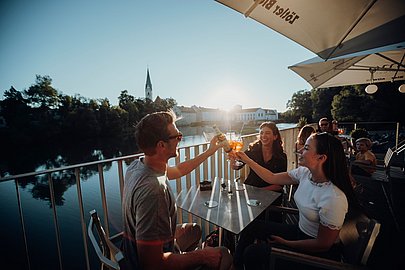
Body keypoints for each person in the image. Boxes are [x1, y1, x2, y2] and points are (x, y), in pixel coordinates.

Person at [121, 110, 232, 270]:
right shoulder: (153, 190)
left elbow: (179, 170)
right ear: (161, 145)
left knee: (194, 230)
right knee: (224, 253)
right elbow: (153, 264)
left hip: (133, 252)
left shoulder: (138, 166)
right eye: (177, 136)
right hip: (146, 263)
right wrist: (204, 256)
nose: (181, 139)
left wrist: (210, 151)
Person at [232, 132, 359, 270]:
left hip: (317, 255)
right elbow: (272, 177)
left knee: (253, 253)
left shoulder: (333, 197)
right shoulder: (305, 173)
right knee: (249, 226)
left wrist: (287, 243)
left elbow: (322, 245)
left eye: (306, 148)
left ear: (321, 158)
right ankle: (234, 266)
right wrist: (247, 160)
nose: (299, 150)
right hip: (300, 231)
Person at [230, 122, 287, 222]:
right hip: (250, 191)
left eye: (267, 133)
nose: (263, 136)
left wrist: (258, 192)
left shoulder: (281, 157)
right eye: (261, 133)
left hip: (270, 195)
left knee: (267, 223)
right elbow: (237, 166)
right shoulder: (252, 151)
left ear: (275, 136)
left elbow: (279, 185)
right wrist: (232, 160)